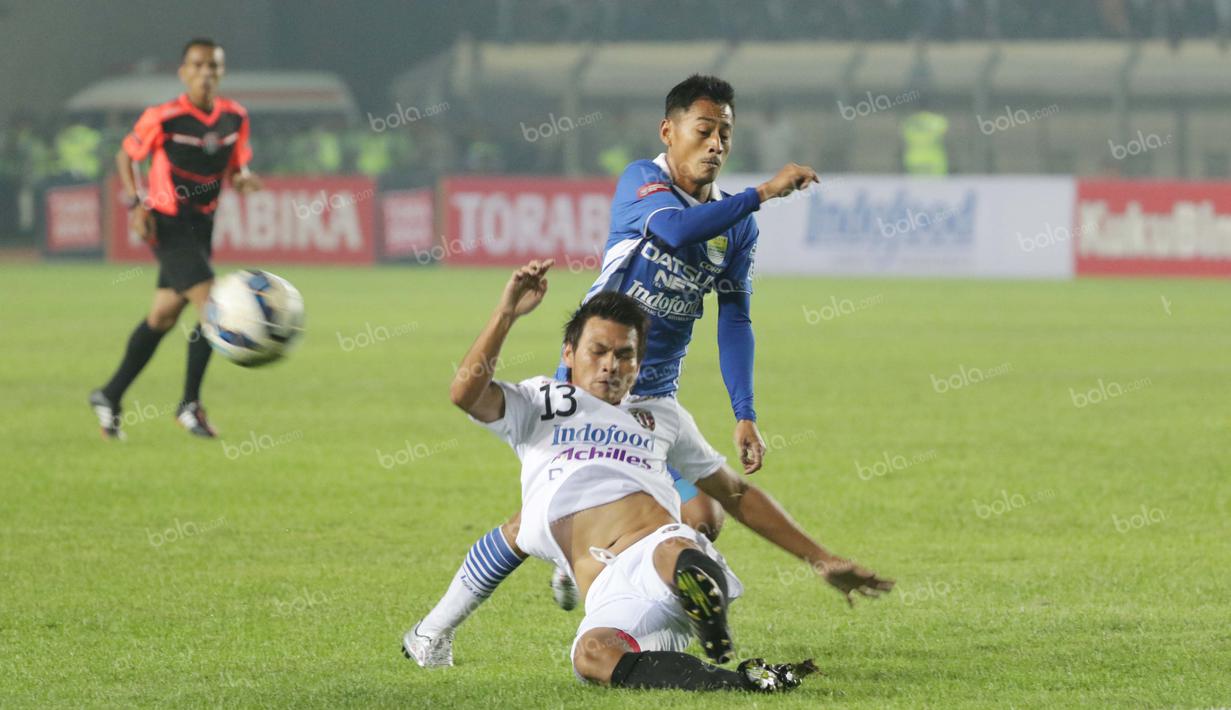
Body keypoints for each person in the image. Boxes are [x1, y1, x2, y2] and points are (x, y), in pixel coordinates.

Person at [407, 74, 822, 660]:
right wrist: (763, 192)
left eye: (725, 134)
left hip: (653, 400)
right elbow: (674, 230)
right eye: (704, 130)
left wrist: (745, 412)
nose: (716, 144)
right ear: (669, 131)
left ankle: (606, 576)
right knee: (532, 524)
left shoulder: (736, 227)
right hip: (588, 389)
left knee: (703, 517)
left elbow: (735, 317)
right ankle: (441, 627)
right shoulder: (642, 181)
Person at [410, 259, 892, 691]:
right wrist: (506, 315)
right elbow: (464, 394)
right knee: (591, 657)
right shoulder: (539, 402)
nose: (611, 366)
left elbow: (737, 493)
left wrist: (820, 558)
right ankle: (743, 681)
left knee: (675, 548)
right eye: (599, 351)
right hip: (608, 589)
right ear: (569, 353)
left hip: (658, 551)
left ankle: (701, 596)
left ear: (639, 365)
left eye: (625, 355)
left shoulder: (662, 416)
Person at [89, 38, 261, 440]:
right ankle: (189, 406)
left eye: (213, 66)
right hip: (167, 222)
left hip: (203, 223)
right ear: (183, 72)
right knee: (215, 308)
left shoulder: (235, 117)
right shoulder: (164, 117)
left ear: (222, 72)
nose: (206, 73)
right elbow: (126, 156)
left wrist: (244, 180)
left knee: (163, 317)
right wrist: (136, 203)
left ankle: (109, 395)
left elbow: (236, 167)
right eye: (198, 65)